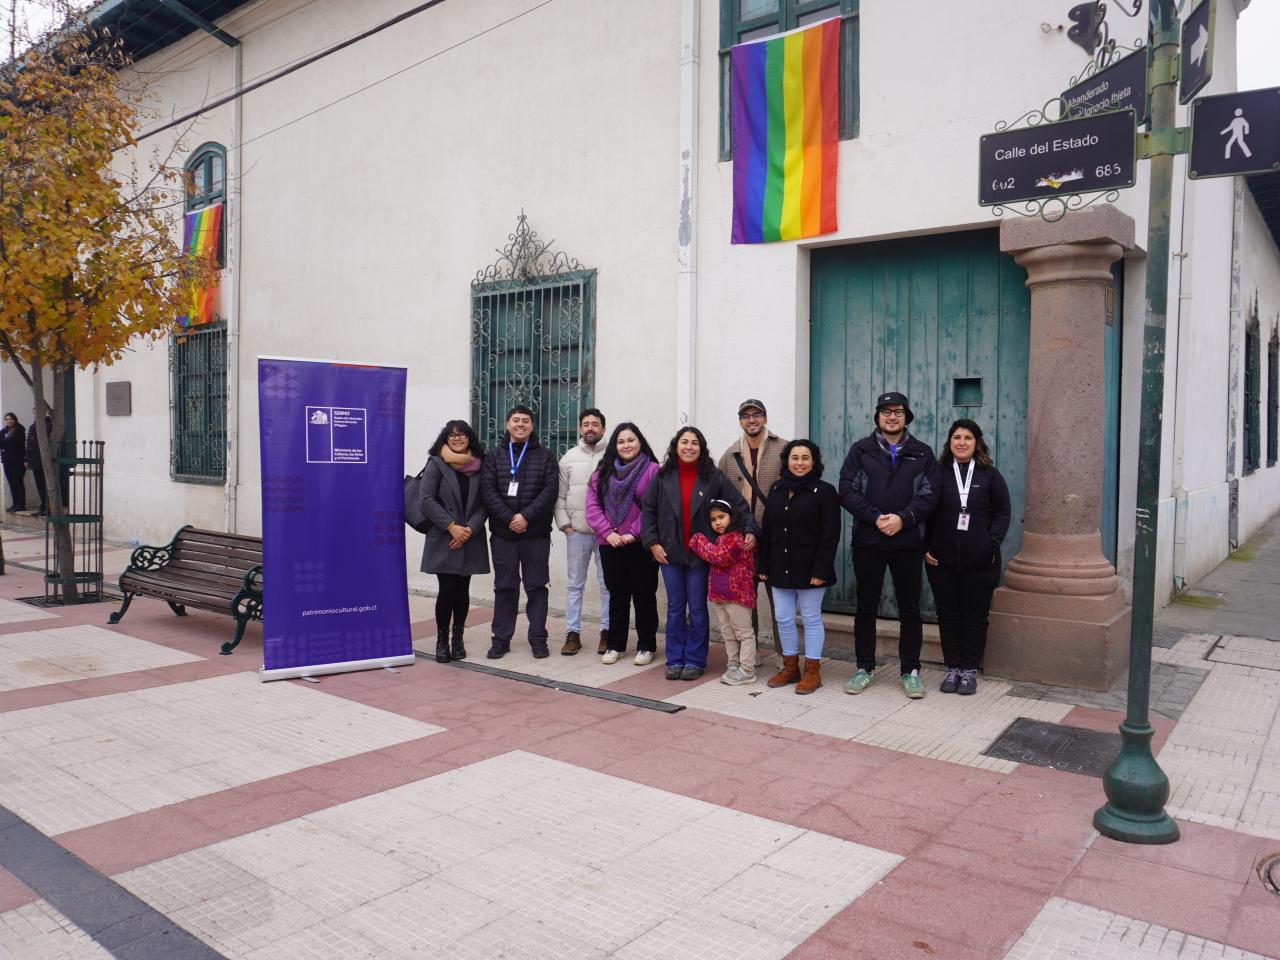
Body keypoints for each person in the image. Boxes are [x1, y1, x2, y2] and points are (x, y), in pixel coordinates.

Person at [837, 392, 940, 699]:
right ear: (878, 416)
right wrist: (876, 517)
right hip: (869, 541)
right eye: (886, 411)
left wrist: (903, 519)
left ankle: (911, 670)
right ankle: (864, 667)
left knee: (910, 608)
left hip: (907, 542)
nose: (891, 416)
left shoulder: (922, 453)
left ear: (906, 417)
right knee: (866, 606)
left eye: (897, 411)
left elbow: (930, 494)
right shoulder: (861, 450)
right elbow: (847, 490)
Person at [642, 427, 755, 681]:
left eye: (695, 443)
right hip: (668, 553)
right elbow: (648, 510)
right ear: (676, 446)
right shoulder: (662, 476)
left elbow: (739, 506)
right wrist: (652, 543)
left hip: (701, 556)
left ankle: (694, 659)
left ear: (701, 448)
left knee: (697, 608)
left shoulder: (713, 477)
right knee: (675, 607)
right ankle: (674, 659)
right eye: (684, 442)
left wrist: (750, 529)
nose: (689, 447)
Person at [925, 419, 1010, 696]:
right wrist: (926, 546)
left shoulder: (990, 475)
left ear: (977, 443)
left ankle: (969, 671)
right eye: (956, 437)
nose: (961, 442)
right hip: (941, 562)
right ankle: (953, 669)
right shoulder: (937, 473)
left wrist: (990, 544)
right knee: (948, 615)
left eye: (968, 438)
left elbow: (1002, 512)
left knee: (975, 616)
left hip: (982, 562)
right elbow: (924, 511)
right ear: (949, 442)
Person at [759, 440, 841, 695]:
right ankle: (790, 667)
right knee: (783, 618)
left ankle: (812, 671)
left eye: (805, 458)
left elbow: (830, 534)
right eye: (795, 458)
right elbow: (768, 529)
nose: (799, 463)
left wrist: (821, 570)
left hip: (811, 568)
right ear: (787, 461)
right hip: (779, 566)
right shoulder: (776, 488)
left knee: (810, 618)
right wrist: (763, 564)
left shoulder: (825, 491)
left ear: (814, 462)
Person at [479, 405, 559, 660]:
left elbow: (550, 491)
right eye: (516, 420)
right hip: (504, 535)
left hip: (535, 534)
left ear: (532, 426)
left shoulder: (546, 456)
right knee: (505, 587)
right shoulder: (494, 456)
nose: (520, 424)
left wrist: (525, 517)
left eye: (525, 420)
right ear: (507, 424)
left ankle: (538, 639)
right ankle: (501, 639)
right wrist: (509, 518)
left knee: (536, 587)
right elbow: (488, 491)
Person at [586, 423, 661, 665]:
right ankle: (615, 645)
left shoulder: (652, 470)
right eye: (621, 441)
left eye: (631, 440)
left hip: (641, 544)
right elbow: (592, 506)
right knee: (617, 596)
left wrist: (633, 533)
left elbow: (654, 506)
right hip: (610, 543)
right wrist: (608, 533)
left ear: (640, 442)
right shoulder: (602, 472)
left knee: (644, 596)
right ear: (614, 445)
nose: (626, 445)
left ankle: (646, 645)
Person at [717, 398, 787, 652]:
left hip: (775, 537)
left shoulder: (783, 448)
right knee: (746, 601)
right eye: (746, 416)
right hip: (743, 539)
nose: (751, 420)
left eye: (757, 415)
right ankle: (751, 653)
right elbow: (720, 498)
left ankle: (784, 656)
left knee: (780, 601)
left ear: (765, 419)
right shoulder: (730, 455)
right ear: (740, 422)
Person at [419, 420, 488, 664]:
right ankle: (442, 640)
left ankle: (458, 639)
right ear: (445, 439)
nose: (457, 439)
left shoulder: (480, 465)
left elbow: (486, 501)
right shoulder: (436, 463)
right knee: (447, 590)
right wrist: (451, 527)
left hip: (470, 536)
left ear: (470, 438)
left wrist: (469, 529)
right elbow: (426, 499)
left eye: (462, 435)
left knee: (463, 591)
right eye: (452, 435)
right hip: (444, 537)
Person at [555, 408, 610, 656]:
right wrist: (565, 525)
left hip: (607, 534)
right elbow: (560, 495)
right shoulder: (568, 458)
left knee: (608, 585)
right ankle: (572, 634)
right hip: (577, 532)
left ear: (603, 429)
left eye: (595, 424)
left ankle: (607, 632)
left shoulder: (613, 455)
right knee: (575, 585)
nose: (590, 428)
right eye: (586, 424)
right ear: (580, 428)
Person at [689, 500, 758, 685]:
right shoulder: (721, 538)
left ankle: (747, 670)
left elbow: (719, 556)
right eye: (713, 519)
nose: (717, 522)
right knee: (728, 633)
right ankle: (733, 664)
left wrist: (699, 540)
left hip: (737, 595)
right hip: (722, 595)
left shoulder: (736, 538)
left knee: (743, 632)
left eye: (721, 517)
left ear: (732, 517)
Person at [26, 410, 51, 517]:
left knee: (47, 485)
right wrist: (27, 459)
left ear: (44, 412)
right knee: (40, 485)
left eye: (38, 411)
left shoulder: (48, 425)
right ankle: (43, 507)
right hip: (35, 460)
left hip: (44, 460)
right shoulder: (33, 426)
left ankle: (49, 508)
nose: (36, 414)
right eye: (34, 412)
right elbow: (29, 444)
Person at [0, 413, 26, 513]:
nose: (9, 421)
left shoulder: (19, 430)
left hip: (17, 460)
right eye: (6, 419)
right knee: (11, 483)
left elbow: (15, 444)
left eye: (11, 419)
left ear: (15, 419)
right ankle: (15, 504)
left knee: (17, 482)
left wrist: (4, 442)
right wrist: (5, 442)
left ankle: (21, 505)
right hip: (7, 461)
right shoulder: (3, 431)